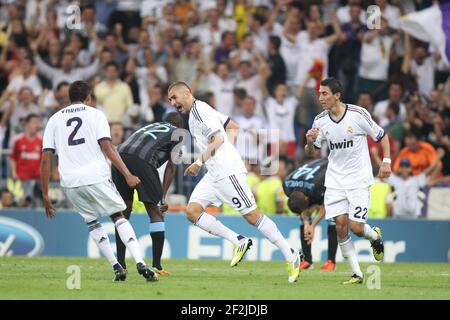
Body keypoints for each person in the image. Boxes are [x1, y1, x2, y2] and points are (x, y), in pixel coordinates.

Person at [168, 81, 302, 283]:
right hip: (214, 174)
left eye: (174, 98)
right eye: (170, 100)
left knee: (252, 216)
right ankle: (237, 240)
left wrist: (199, 162)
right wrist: (222, 154)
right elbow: (233, 127)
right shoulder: (203, 110)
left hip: (228, 173)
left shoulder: (200, 111)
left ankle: (290, 253)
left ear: (186, 93)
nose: (172, 103)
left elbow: (219, 139)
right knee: (192, 211)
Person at [40, 80, 157, 282]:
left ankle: (117, 267)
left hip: (70, 181)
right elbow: (107, 146)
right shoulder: (96, 114)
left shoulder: (54, 119)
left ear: (70, 98)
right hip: (95, 176)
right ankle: (141, 263)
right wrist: (127, 174)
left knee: (92, 222)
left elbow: (45, 159)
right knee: (118, 216)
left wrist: (44, 194)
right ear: (88, 98)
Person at [305, 77, 390, 284]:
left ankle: (375, 237)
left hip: (359, 178)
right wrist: (308, 141)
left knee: (357, 227)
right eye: (319, 93)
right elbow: (311, 152)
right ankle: (357, 274)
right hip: (334, 180)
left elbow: (382, 136)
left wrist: (386, 161)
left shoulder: (358, 114)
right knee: (340, 226)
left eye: (324, 93)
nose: (320, 97)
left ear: (337, 95)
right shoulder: (320, 120)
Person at [112, 112, 184, 275]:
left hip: (119, 157)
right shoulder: (179, 133)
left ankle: (121, 265)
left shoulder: (150, 126)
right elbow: (172, 167)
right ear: (180, 126)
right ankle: (156, 266)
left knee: (123, 213)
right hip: (142, 161)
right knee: (155, 212)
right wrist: (162, 197)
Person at [283, 158, 338, 271]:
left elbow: (324, 208)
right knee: (303, 222)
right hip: (313, 176)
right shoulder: (287, 185)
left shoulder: (318, 188)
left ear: (307, 198)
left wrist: (313, 226)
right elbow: (303, 209)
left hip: (334, 170)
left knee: (331, 218)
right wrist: (306, 223)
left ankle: (331, 262)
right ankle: (307, 260)